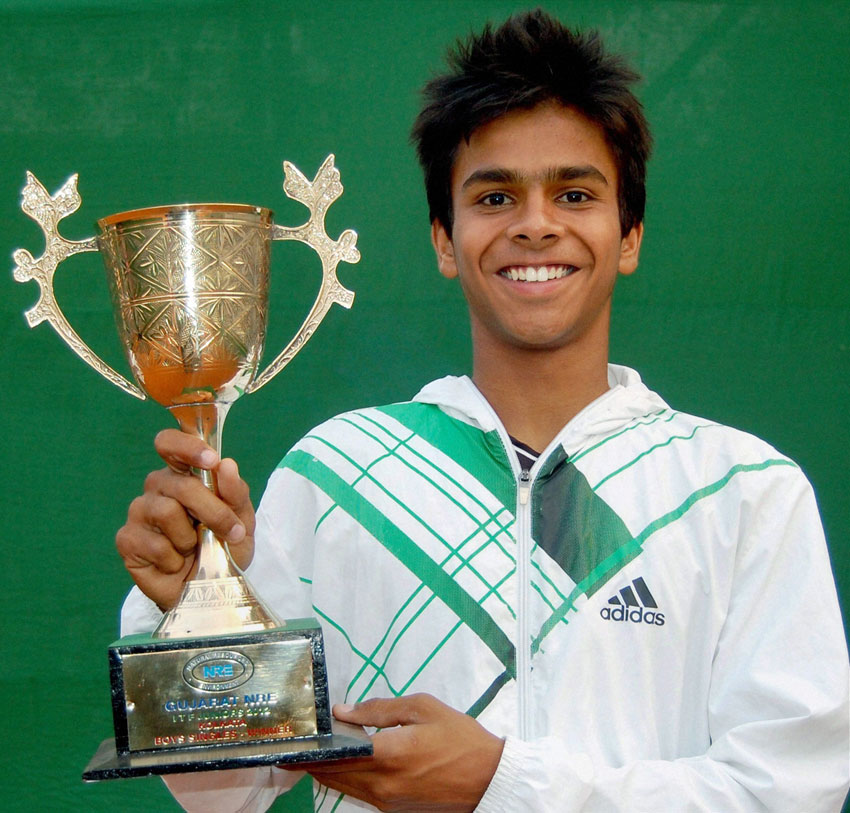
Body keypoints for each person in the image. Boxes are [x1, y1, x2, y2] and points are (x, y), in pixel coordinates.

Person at [117, 9, 850, 812]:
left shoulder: (742, 491)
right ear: (443, 236)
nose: (536, 225)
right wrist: (189, 618)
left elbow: (791, 793)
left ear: (630, 233)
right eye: (495, 195)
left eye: (575, 191)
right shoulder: (337, 472)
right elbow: (224, 790)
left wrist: (500, 783)